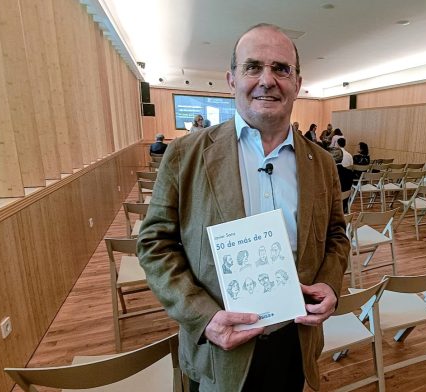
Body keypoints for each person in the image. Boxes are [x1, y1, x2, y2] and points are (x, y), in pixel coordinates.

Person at [137, 23, 349, 392]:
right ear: (232, 79)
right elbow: (155, 244)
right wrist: (203, 318)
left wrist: (330, 284)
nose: (267, 80)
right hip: (221, 347)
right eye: (253, 67)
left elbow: (335, 237)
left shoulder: (322, 162)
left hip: (295, 341)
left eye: (281, 68)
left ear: (298, 83)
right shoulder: (185, 155)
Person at [330, 147, 354, 213]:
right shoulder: (349, 173)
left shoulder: (328, 174)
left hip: (330, 208)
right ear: (342, 158)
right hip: (344, 206)